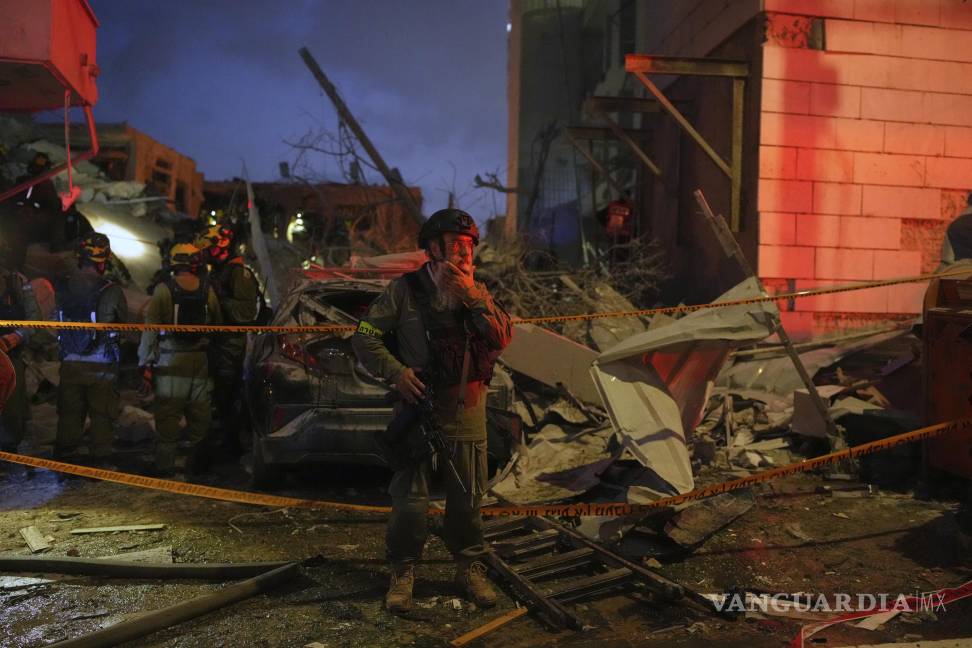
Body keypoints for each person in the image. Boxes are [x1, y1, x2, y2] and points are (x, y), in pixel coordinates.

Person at [351, 208, 512, 613]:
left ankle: (468, 567)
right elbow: (366, 335)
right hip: (418, 410)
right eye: (454, 247)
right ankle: (403, 571)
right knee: (410, 503)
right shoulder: (404, 291)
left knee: (468, 500)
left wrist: (472, 295)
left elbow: (502, 336)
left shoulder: (480, 291)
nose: (462, 255)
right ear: (433, 250)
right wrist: (397, 373)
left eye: (468, 247)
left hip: (469, 410)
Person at [137, 243, 222, 477]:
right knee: (200, 414)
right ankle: (199, 467)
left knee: (168, 415)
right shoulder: (208, 290)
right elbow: (217, 321)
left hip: (170, 360)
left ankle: (164, 466)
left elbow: (150, 329)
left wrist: (146, 364)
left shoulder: (163, 290)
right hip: (200, 360)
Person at [53, 233, 128, 466]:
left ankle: (65, 459)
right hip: (102, 365)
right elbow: (122, 326)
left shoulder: (63, 286)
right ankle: (101, 460)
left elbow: (54, 319)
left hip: (71, 362)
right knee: (102, 414)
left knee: (69, 413)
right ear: (104, 259)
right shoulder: (112, 290)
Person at [198, 220, 259, 456]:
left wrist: (220, 298)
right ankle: (224, 439)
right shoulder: (222, 270)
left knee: (228, 395)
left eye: (211, 248)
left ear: (223, 246)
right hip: (218, 343)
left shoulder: (238, 273)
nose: (208, 253)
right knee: (219, 397)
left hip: (230, 345)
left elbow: (246, 313)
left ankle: (232, 446)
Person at [0, 216, 42, 456]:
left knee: (12, 411)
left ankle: (8, 451)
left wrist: (14, 337)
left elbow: (33, 321)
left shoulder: (17, 283)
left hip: (9, 356)